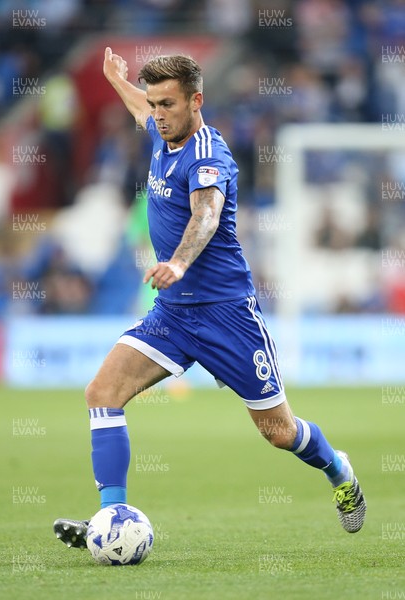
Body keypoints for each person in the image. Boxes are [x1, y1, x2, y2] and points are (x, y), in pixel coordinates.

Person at [54, 48, 366, 549]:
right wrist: (117, 81)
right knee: (101, 394)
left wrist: (178, 262)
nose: (156, 114)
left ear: (196, 101)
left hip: (227, 317)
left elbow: (206, 215)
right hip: (173, 316)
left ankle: (339, 469)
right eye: (153, 104)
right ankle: (112, 517)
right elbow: (140, 108)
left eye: (167, 105)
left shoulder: (207, 155)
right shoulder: (161, 128)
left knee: (280, 432)